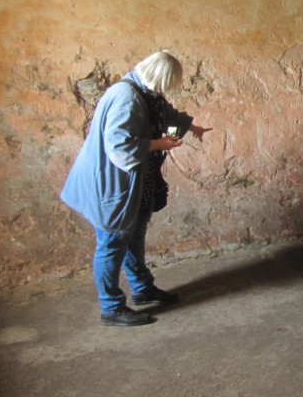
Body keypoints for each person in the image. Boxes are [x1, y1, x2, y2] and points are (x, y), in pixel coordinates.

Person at [61, 51, 212, 326]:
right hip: (112, 184)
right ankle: (111, 308)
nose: (167, 89)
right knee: (112, 243)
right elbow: (119, 146)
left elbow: (167, 115)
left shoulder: (146, 92)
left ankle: (142, 289)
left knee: (133, 237)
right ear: (159, 77)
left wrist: (193, 128)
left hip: (137, 184)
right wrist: (159, 144)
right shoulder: (126, 97)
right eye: (168, 83)